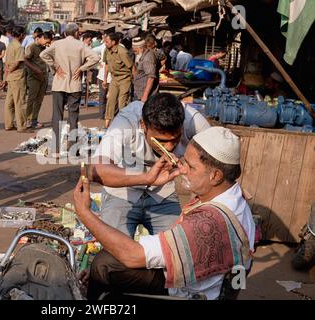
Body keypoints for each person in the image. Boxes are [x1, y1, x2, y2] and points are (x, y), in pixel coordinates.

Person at [74, 126, 255, 300]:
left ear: (215, 176)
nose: (181, 170)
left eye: (190, 167)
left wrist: (85, 213)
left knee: (105, 263)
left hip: (191, 293)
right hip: (210, 282)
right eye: (183, 162)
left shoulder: (207, 223)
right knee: (108, 264)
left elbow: (133, 255)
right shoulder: (236, 197)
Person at [89, 93, 210, 238]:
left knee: (177, 250)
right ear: (143, 125)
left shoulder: (193, 121)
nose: (169, 147)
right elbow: (95, 170)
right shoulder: (127, 121)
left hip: (163, 192)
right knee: (114, 251)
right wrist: (147, 178)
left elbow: (218, 162)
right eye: (161, 141)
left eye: (175, 139)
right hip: (122, 190)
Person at [39, 23, 99, 158]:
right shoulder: (81, 45)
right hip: (75, 85)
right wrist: (82, 68)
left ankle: (55, 150)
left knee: (57, 116)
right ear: (77, 33)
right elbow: (96, 58)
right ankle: (73, 150)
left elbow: (43, 54)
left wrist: (55, 67)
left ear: (65, 33)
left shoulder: (57, 44)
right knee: (73, 117)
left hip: (59, 84)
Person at [0, 26, 32, 133]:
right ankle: (21, 126)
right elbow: (17, 63)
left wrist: (6, 76)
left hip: (11, 77)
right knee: (20, 102)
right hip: (17, 77)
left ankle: (9, 124)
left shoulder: (10, 45)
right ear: (21, 35)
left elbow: (7, 63)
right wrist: (10, 71)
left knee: (9, 102)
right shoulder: (18, 47)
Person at [103, 32, 133, 129]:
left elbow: (132, 67)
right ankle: (107, 125)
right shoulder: (107, 50)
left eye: (107, 41)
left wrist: (135, 81)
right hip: (114, 78)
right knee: (110, 100)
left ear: (113, 42)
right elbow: (106, 65)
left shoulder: (122, 52)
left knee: (122, 102)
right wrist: (104, 79)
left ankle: (122, 125)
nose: (105, 43)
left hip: (125, 78)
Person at [24, 31, 52, 129]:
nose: (46, 44)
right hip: (34, 78)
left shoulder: (45, 48)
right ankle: (27, 120)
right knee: (31, 99)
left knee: (39, 100)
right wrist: (35, 69)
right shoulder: (31, 47)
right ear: (40, 38)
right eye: (45, 41)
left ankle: (34, 120)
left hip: (43, 77)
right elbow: (25, 60)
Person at [92, 31, 112, 121]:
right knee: (103, 96)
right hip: (103, 75)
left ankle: (108, 115)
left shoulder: (120, 48)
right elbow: (92, 52)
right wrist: (97, 63)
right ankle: (103, 115)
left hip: (112, 76)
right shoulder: (103, 46)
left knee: (109, 97)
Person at [131, 37, 158, 102]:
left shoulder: (147, 58)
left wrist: (145, 96)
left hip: (144, 94)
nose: (135, 53)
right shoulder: (142, 54)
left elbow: (151, 77)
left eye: (135, 51)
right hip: (138, 91)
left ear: (141, 48)